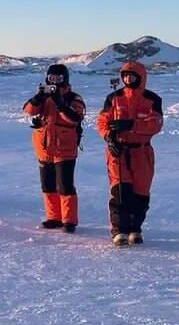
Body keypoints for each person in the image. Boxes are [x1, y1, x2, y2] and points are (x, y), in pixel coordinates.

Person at [96, 62, 163, 246]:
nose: (127, 79)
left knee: (140, 193)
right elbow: (102, 121)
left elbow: (155, 124)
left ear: (141, 77)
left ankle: (135, 228)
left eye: (131, 76)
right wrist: (109, 138)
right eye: (124, 76)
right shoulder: (114, 98)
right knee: (120, 191)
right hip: (118, 151)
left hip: (142, 152)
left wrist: (132, 125)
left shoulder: (152, 99)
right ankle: (119, 230)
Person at [23, 64, 86, 233]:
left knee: (65, 185)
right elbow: (28, 111)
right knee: (48, 185)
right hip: (44, 149)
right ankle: (54, 217)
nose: (54, 82)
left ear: (65, 79)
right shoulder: (44, 97)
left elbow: (74, 118)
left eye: (58, 79)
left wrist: (61, 103)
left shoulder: (74, 98)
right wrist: (38, 98)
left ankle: (69, 220)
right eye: (51, 78)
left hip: (64, 150)